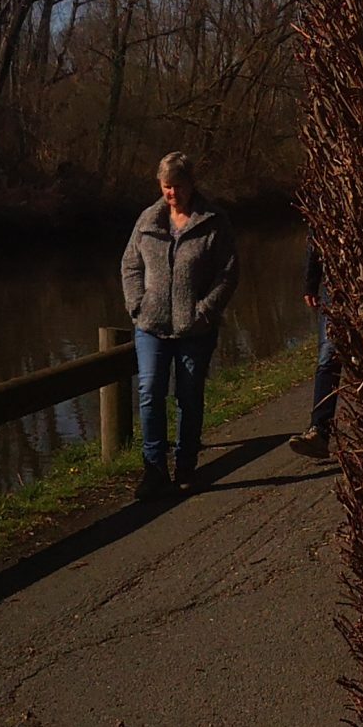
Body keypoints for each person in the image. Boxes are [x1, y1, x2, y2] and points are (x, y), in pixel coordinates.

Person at [120, 151, 239, 499]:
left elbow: (228, 273)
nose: (172, 193)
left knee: (189, 396)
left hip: (195, 329)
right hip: (151, 325)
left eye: (178, 186)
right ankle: (153, 468)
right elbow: (130, 266)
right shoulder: (148, 221)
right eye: (166, 187)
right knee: (150, 393)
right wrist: (137, 304)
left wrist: (205, 310)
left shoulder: (214, 221)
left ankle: (186, 466)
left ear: (191, 184)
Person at [293, 237, 339, 456]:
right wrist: (311, 282)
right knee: (327, 357)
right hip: (334, 288)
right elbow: (316, 237)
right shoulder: (322, 202)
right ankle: (319, 431)